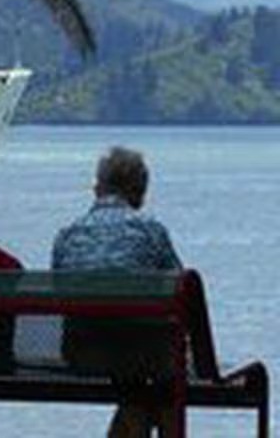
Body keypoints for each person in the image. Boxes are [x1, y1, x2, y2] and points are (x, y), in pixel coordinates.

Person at [52, 146, 182, 438]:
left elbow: (59, 297)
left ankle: (135, 416)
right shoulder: (151, 231)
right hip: (147, 355)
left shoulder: (67, 234)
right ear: (139, 192)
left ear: (98, 188)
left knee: (135, 394)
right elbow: (179, 293)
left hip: (84, 354)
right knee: (161, 388)